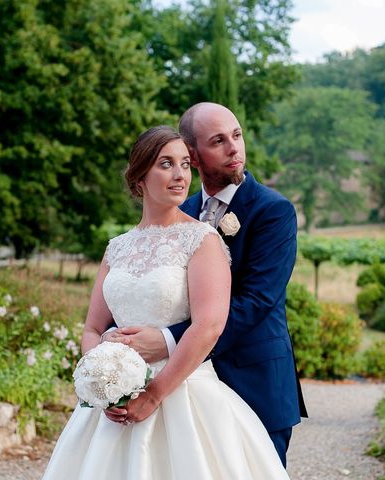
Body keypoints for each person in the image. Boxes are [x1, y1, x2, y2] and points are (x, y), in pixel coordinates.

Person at [42, 126, 289, 479]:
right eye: (166, 164)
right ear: (139, 177)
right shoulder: (118, 247)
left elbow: (210, 326)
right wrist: (101, 382)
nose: (180, 175)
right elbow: (93, 327)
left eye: (186, 164)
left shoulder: (202, 240)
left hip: (183, 396)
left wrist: (154, 394)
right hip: (116, 403)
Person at [105, 103, 307, 467]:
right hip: (178, 385)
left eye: (237, 135)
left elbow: (257, 301)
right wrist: (115, 346)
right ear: (193, 155)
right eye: (219, 141)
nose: (234, 148)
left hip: (254, 378)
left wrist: (167, 339)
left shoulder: (272, 211)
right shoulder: (180, 208)